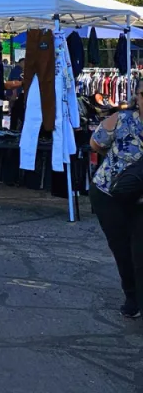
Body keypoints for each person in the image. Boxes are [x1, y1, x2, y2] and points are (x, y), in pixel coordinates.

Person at [90, 87, 143, 319]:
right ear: (137, 97)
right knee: (121, 248)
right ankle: (132, 296)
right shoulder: (121, 119)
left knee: (140, 251)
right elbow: (96, 144)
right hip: (109, 194)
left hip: (140, 199)